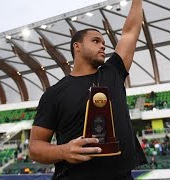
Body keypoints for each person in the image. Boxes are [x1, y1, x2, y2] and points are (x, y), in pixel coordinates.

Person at [29, 0, 147, 179]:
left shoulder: (113, 72)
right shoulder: (54, 93)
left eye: (104, 43)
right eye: (95, 41)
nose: (103, 46)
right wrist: (63, 151)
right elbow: (35, 147)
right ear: (77, 47)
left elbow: (130, 33)